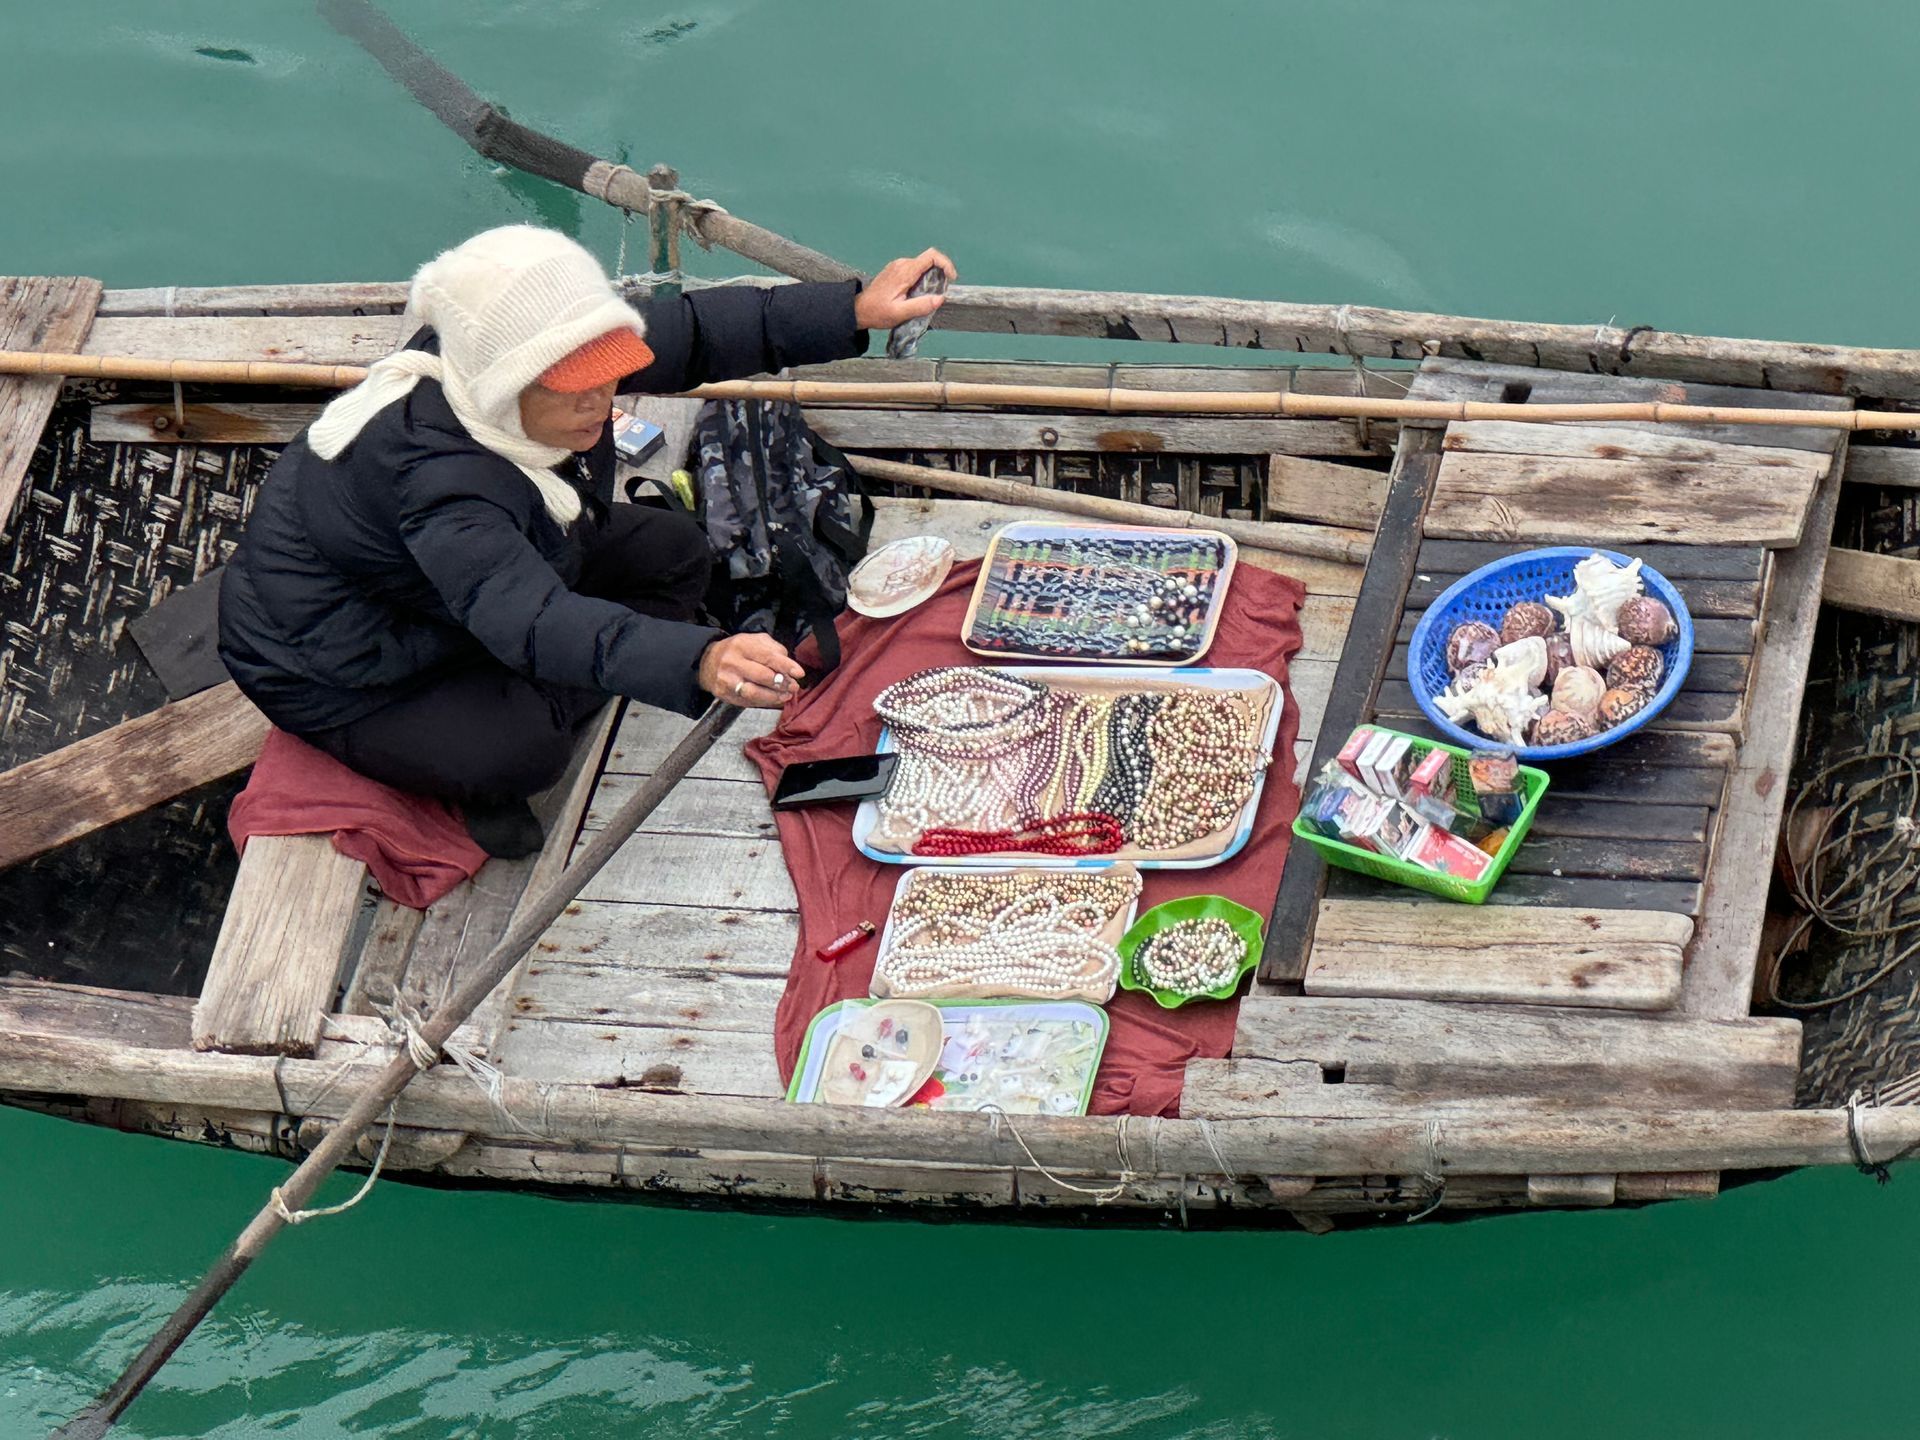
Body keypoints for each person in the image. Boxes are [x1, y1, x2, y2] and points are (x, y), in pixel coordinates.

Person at [218, 224, 955, 856]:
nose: (601, 405)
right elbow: (527, 618)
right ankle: (490, 735)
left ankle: (572, 673)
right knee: (523, 751)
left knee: (677, 552)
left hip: (484, 571)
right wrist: (700, 659)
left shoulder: (523, 346)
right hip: (345, 664)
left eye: (609, 381)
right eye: (574, 391)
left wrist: (853, 308)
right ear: (508, 386)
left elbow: (694, 332)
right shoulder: (442, 484)